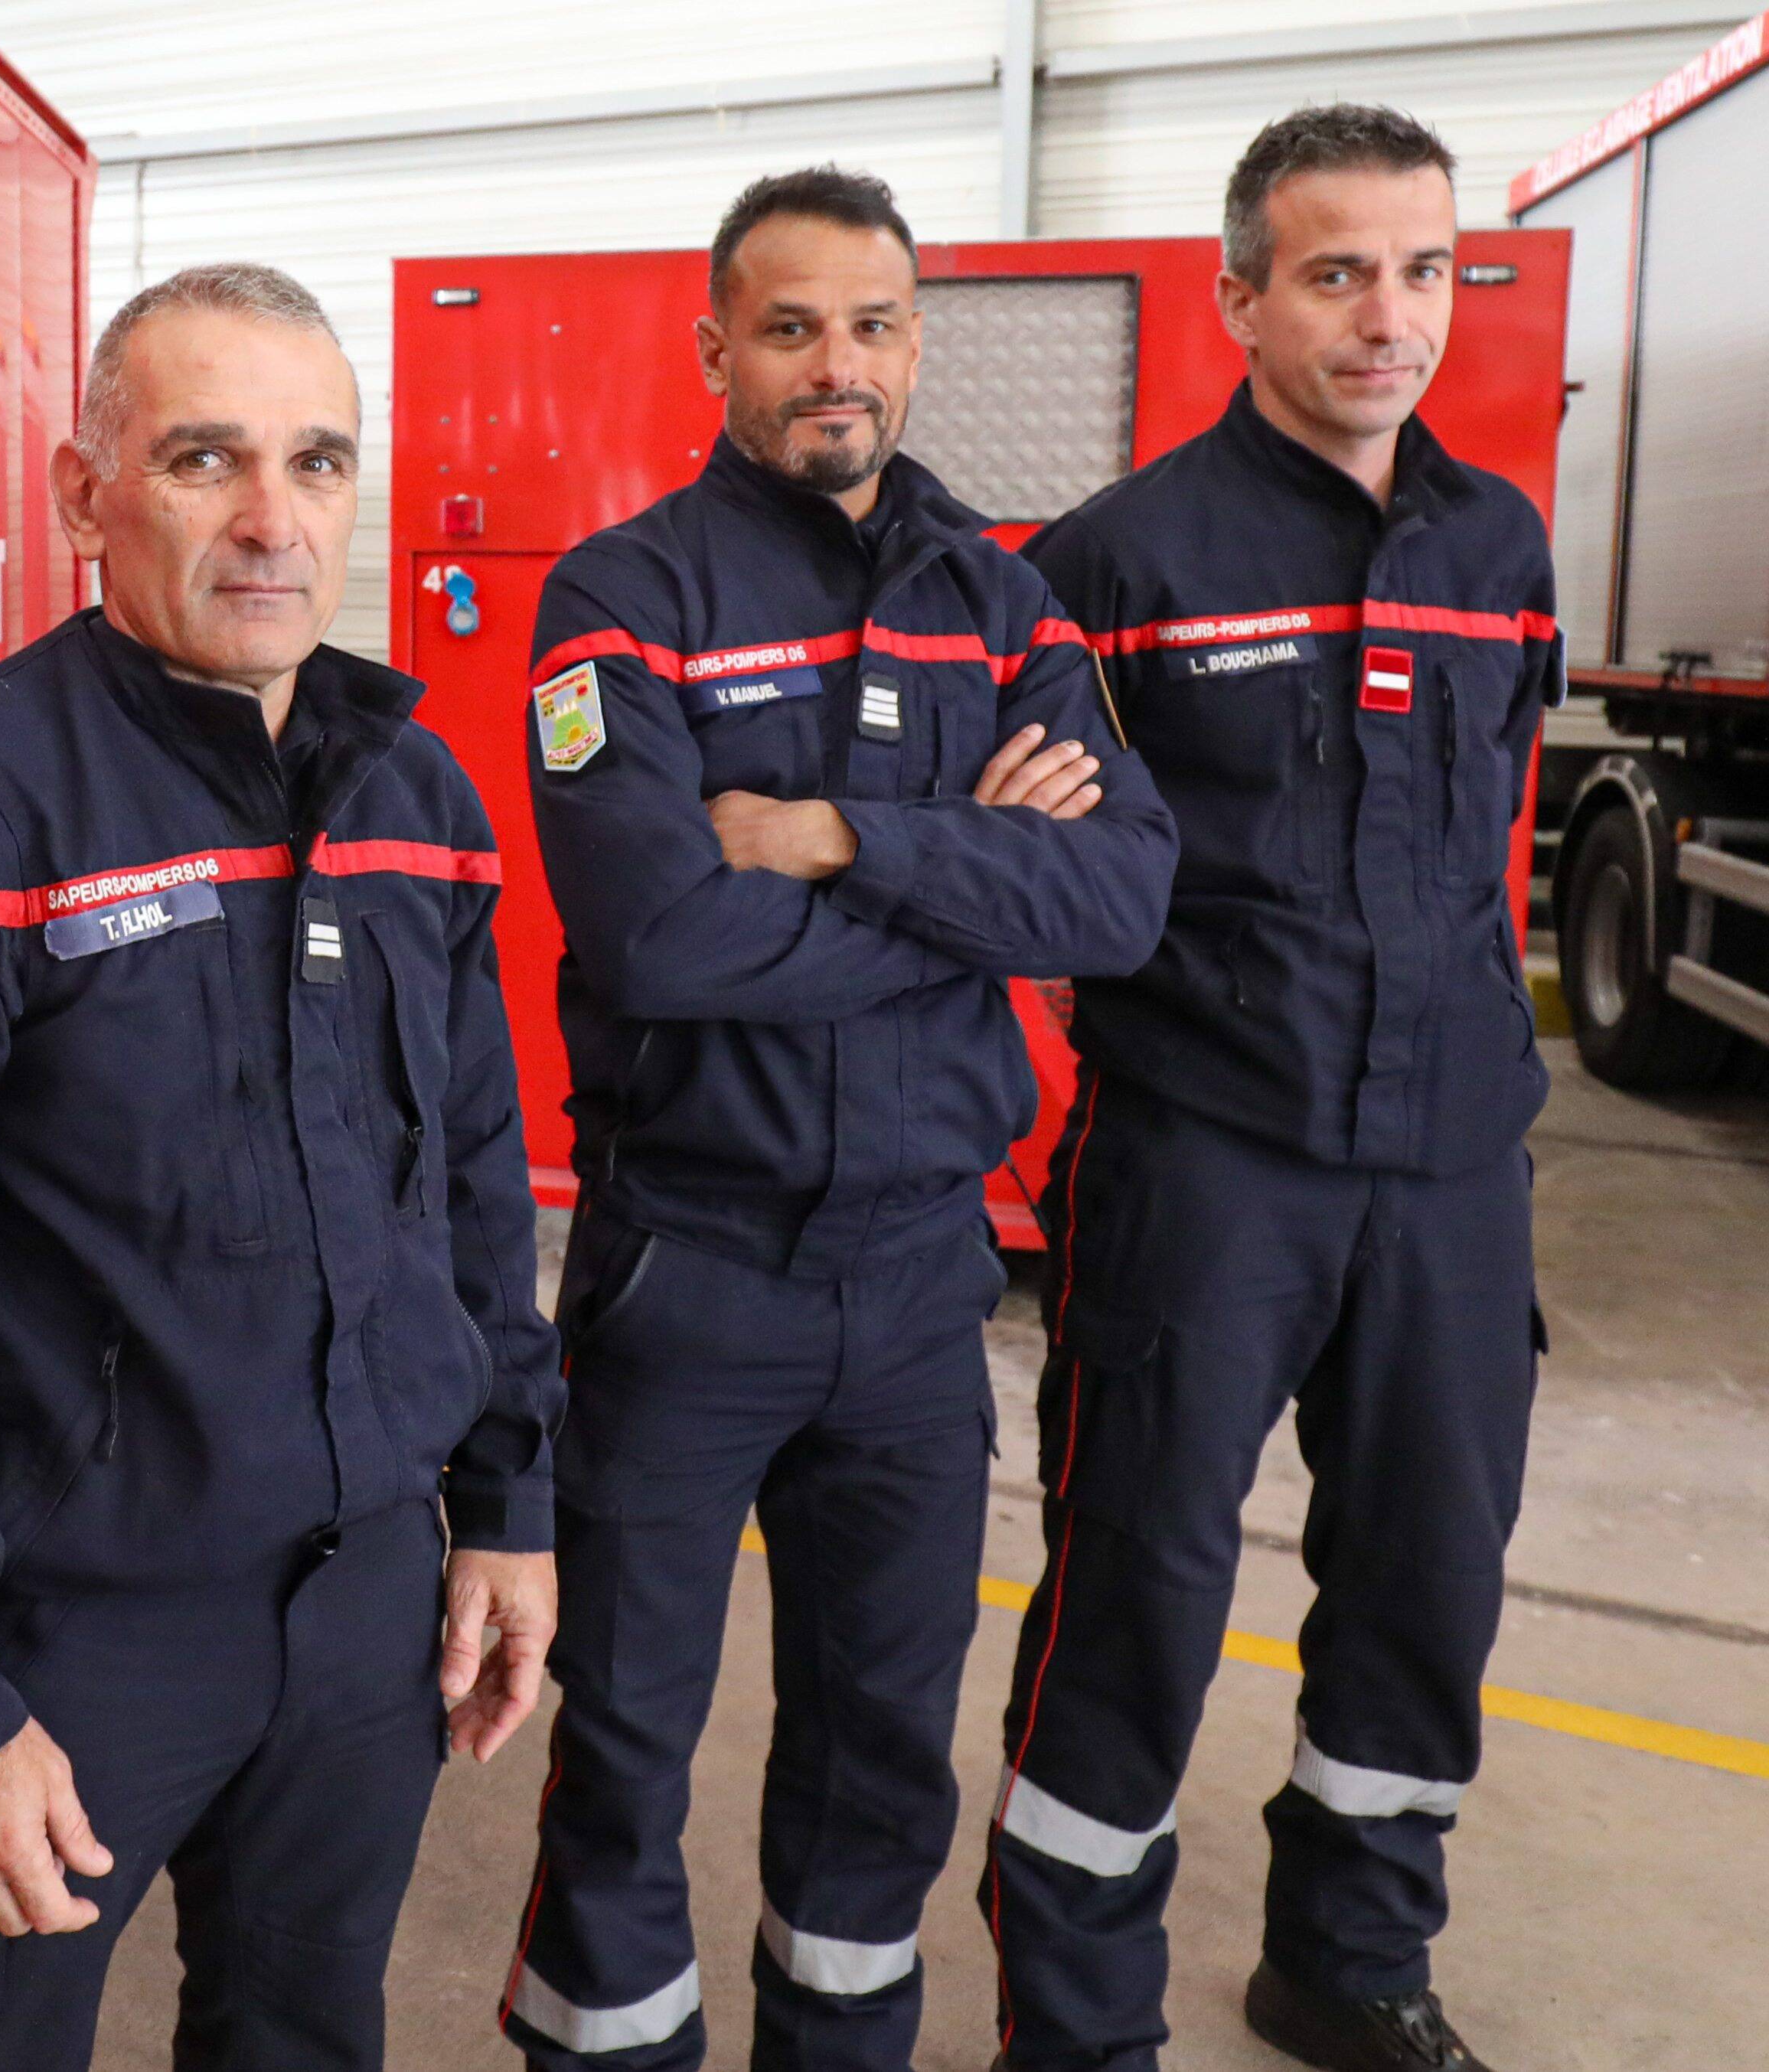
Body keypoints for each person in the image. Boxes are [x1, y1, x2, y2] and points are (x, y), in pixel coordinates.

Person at [0, 261, 563, 2072]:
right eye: (205, 459)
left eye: (318, 461)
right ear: (81, 492)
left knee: (298, 2037)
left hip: (369, 1604)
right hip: (67, 1630)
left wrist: (507, 1499)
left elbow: (476, 1176)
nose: (273, 521)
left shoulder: (412, 795)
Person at [501, 167, 1177, 2072]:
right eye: (790, 326)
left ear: (912, 341)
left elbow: (1120, 901)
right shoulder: (621, 597)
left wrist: (830, 840)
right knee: (626, 1732)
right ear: (715, 347)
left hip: (913, 1289)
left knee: (884, 1738)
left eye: (873, 324)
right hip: (685, 1273)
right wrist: (969, 884)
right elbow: (659, 936)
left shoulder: (1001, 600)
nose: (837, 365)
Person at [980, 106, 1561, 2072]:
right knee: (1136, 1582)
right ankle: (1074, 2023)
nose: (1388, 317)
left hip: (1455, 1160)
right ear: (1238, 295)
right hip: (1204, 1156)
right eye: (1334, 273)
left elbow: (1489, 831)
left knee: (1423, 1579)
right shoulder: (1110, 565)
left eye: (1425, 270)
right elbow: (1031, 862)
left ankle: (1346, 1956)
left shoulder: (1497, 545)